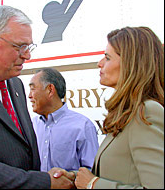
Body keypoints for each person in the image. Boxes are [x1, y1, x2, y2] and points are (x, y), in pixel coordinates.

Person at [0, 5, 75, 189]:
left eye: (29, 46)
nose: (27, 55)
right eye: (19, 46)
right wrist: (44, 182)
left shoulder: (14, 84)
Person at [56, 26, 164, 189]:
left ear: (130, 64)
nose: (99, 63)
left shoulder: (146, 112)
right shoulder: (129, 112)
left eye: (107, 58)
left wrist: (93, 184)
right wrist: (77, 178)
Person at [28, 68, 99, 172]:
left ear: (50, 90)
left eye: (33, 89)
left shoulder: (83, 126)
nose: (29, 96)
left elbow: (92, 172)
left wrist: (69, 178)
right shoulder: (32, 125)